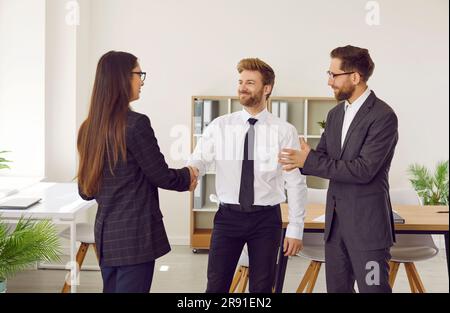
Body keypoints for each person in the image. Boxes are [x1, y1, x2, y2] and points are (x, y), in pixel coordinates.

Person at [279, 45, 398, 293]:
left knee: (373, 290)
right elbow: (321, 157)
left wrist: (309, 161)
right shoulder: (335, 115)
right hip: (335, 228)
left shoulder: (383, 116)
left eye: (334, 75)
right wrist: (299, 158)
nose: (329, 81)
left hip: (367, 228)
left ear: (355, 77)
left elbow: (364, 170)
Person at [77, 51, 198, 293]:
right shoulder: (135, 124)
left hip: (106, 234)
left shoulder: (88, 127)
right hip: (134, 234)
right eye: (138, 74)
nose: (142, 80)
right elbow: (160, 175)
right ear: (121, 78)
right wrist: (188, 176)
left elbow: (85, 192)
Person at [188, 58, 307, 293]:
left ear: (267, 88)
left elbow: (295, 182)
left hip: (266, 220)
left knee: (262, 289)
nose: (242, 87)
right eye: (240, 81)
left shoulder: (284, 131)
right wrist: (190, 174)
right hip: (227, 217)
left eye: (250, 82)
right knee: (216, 285)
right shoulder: (220, 126)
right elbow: (199, 159)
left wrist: (295, 228)